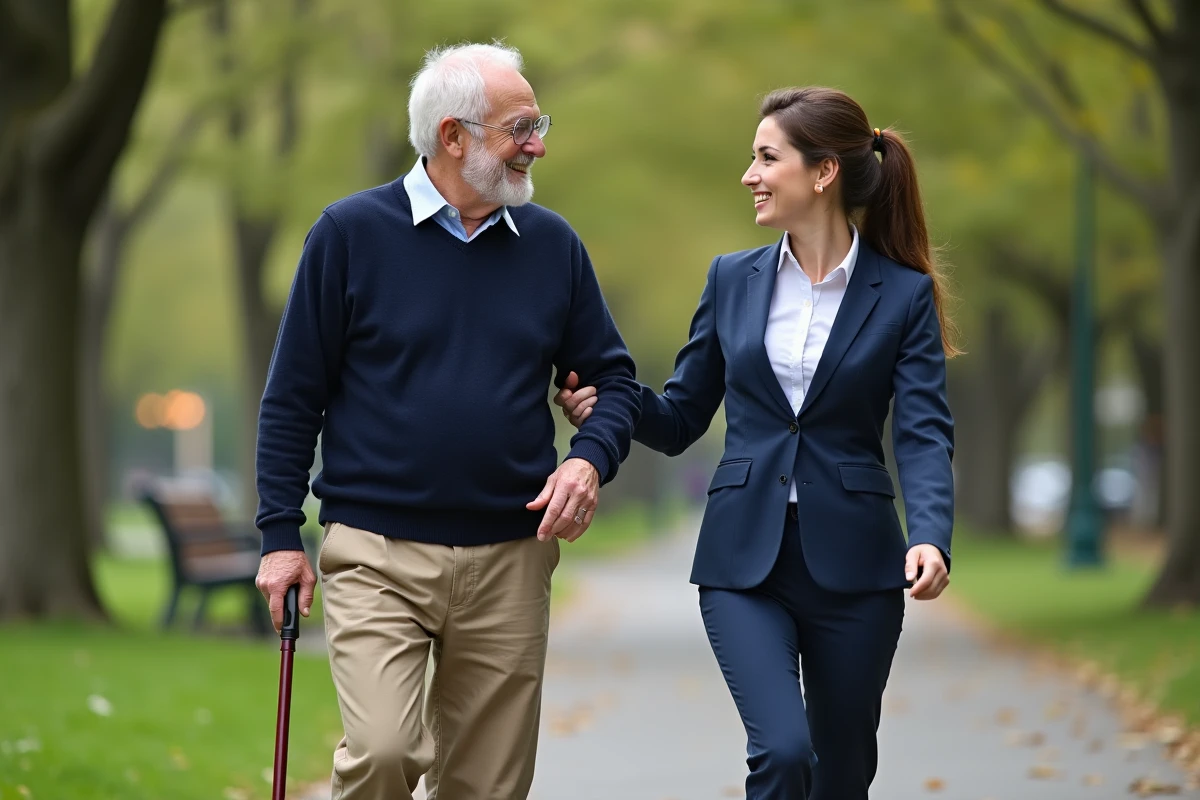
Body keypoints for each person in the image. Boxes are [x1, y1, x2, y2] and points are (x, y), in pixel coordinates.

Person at [253, 42, 639, 800]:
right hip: (376, 551)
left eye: (538, 125)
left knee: (487, 785)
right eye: (520, 128)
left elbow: (614, 382)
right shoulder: (349, 234)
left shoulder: (553, 246)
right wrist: (278, 537)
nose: (537, 145)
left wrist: (588, 458)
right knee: (384, 750)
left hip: (512, 555)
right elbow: (293, 396)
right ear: (453, 136)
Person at [555, 86, 958, 799]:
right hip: (743, 563)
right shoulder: (730, 279)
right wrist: (615, 404)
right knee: (782, 753)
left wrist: (929, 534)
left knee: (841, 774)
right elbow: (682, 416)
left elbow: (923, 431)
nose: (750, 175)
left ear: (823, 172)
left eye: (768, 158)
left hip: (858, 568)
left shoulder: (902, 295)